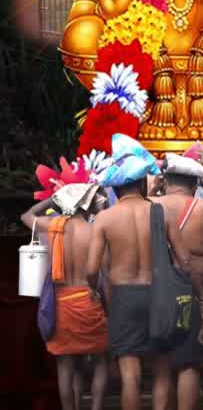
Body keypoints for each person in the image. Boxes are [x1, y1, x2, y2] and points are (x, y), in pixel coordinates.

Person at [87, 134, 195, 410]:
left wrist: (94, 290)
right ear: (140, 182)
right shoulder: (162, 212)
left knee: (130, 376)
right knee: (161, 370)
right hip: (159, 295)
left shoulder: (105, 218)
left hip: (123, 298)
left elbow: (91, 269)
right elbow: (184, 260)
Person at [152, 146, 203, 410]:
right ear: (194, 181)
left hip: (156, 291)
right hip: (192, 291)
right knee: (188, 365)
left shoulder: (149, 206)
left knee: (162, 368)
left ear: (167, 180)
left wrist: (153, 186)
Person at [23, 159, 110, 410]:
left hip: (62, 304)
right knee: (102, 360)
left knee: (66, 364)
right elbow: (103, 271)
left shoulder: (52, 227)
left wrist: (53, 200)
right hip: (90, 300)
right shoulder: (95, 231)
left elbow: (26, 215)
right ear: (86, 206)